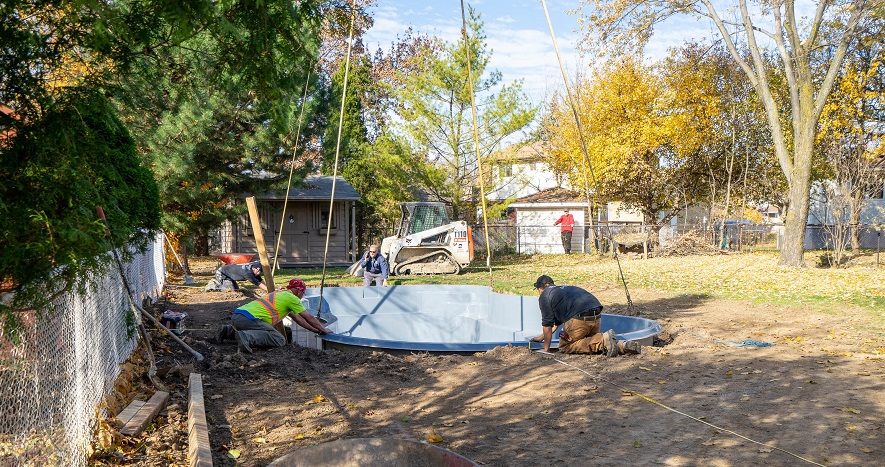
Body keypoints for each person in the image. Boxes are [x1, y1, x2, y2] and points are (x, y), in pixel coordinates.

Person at [529, 275, 640, 356]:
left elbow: (547, 325)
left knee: (565, 346)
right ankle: (623, 345)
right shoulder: (560, 291)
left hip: (579, 318)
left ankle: (603, 338)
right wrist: (540, 338)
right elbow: (555, 325)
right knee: (589, 342)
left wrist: (546, 349)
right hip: (596, 314)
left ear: (540, 289)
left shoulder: (544, 296)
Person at [216, 278, 332, 353]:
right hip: (250, 319)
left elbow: (299, 320)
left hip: (237, 317)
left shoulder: (280, 294)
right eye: (303, 292)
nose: (302, 295)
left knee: (263, 329)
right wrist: (322, 328)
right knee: (279, 339)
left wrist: (316, 331)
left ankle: (228, 331)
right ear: (298, 290)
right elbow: (308, 317)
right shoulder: (292, 299)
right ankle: (247, 337)